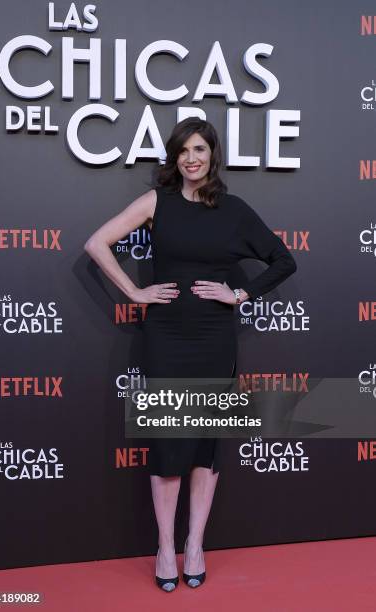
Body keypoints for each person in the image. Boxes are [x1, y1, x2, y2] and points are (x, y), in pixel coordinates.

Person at [84, 117, 297, 592]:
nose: (191, 158)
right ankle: (166, 547)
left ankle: (195, 544)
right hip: (166, 339)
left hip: (215, 340)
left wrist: (239, 295)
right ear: (174, 157)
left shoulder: (235, 210)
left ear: (212, 154)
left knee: (205, 448)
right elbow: (96, 244)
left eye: (199, 148)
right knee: (167, 447)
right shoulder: (156, 202)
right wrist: (135, 293)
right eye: (183, 150)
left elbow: (284, 260)